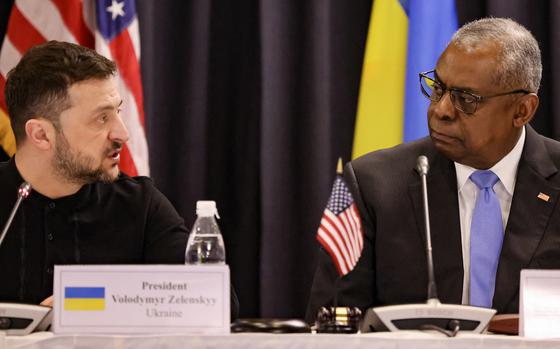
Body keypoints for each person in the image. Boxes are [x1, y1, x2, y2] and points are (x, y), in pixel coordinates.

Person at [306, 18, 559, 322]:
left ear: (523, 110)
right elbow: (334, 322)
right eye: (437, 88)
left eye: (466, 99)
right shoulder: (374, 184)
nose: (441, 110)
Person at [0, 41, 186, 307]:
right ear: (41, 134)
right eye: (101, 118)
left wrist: (84, 301)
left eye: (118, 112)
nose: (123, 133)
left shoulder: (139, 204)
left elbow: (214, 300)